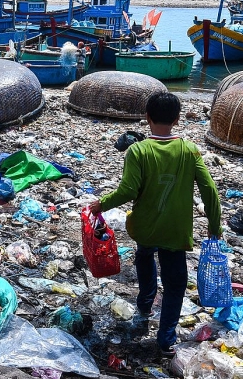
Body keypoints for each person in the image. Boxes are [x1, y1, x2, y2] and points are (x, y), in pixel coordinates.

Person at [89, 92, 222, 356]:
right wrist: (214, 226)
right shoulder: (189, 150)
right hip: (175, 232)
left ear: (147, 117)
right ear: (176, 119)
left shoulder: (138, 150)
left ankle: (145, 304)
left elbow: (128, 191)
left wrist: (100, 204)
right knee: (175, 285)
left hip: (145, 228)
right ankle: (166, 339)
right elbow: (210, 190)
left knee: (145, 255)